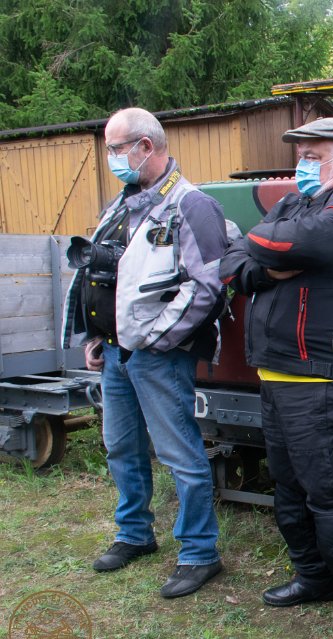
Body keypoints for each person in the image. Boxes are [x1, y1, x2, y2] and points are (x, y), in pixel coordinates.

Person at [219, 117, 333, 639]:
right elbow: (232, 262)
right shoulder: (296, 203)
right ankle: (314, 576)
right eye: (300, 155)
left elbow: (274, 242)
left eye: (313, 156)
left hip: (323, 377)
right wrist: (267, 267)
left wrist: (266, 253)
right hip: (275, 374)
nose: (301, 164)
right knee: (290, 490)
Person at [61, 108, 229, 598]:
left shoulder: (191, 204)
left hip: (159, 356)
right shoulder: (122, 204)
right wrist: (95, 336)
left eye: (116, 149)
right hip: (116, 353)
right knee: (121, 447)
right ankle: (134, 533)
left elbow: (207, 285)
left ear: (145, 147)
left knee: (180, 455)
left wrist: (158, 340)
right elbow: (104, 277)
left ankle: (199, 553)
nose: (111, 158)